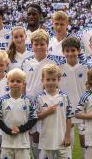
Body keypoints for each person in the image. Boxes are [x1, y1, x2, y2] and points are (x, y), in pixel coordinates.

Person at [21, 29, 59, 159]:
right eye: (36, 44)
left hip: (47, 102)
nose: (39, 47)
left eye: (42, 44)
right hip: (30, 102)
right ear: (31, 45)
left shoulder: (52, 62)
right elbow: (24, 84)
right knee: (33, 134)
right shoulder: (26, 62)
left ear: (47, 45)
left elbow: (57, 83)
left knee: (47, 132)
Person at [0, 68, 37, 159]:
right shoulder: (2, 100)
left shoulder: (28, 101)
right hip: (7, 144)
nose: (15, 83)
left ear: (24, 84)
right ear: (7, 83)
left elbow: (33, 119)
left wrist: (20, 129)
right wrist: (8, 131)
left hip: (23, 144)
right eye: (12, 81)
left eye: (18, 81)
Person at [58, 37, 89, 157]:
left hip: (83, 109)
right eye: (67, 51)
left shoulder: (86, 68)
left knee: (85, 139)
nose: (70, 53)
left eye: (73, 50)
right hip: (66, 110)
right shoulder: (59, 69)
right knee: (67, 140)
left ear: (79, 51)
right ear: (63, 52)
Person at [35, 64, 72, 159]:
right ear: (42, 80)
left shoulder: (64, 96)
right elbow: (35, 117)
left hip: (62, 139)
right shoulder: (39, 98)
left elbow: (69, 118)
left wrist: (67, 136)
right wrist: (47, 112)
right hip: (46, 140)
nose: (50, 82)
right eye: (48, 79)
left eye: (53, 79)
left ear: (58, 80)